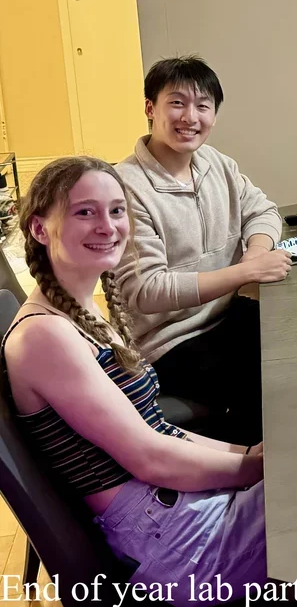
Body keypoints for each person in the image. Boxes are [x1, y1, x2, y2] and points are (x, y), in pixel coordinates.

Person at [2, 157, 266, 605]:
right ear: (40, 229)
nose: (108, 226)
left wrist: (249, 455)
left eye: (117, 210)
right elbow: (151, 459)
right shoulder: (45, 336)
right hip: (176, 543)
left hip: (175, 512)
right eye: (84, 212)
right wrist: (261, 469)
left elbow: (158, 430)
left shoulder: (80, 313)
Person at [114, 56, 291, 443]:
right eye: (176, 103)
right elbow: (146, 291)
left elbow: (263, 210)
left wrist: (255, 252)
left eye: (203, 105)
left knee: (295, 336)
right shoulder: (124, 188)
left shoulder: (216, 164)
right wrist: (244, 274)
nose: (189, 117)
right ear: (150, 108)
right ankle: (253, 475)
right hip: (170, 344)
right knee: (276, 373)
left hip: (227, 318)